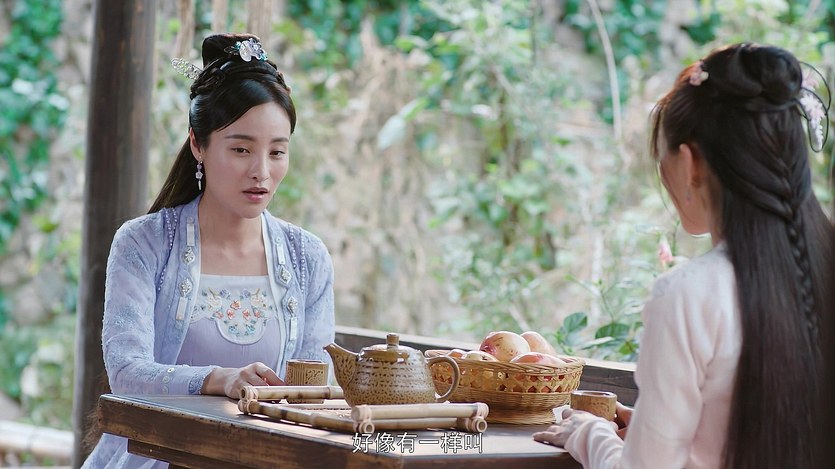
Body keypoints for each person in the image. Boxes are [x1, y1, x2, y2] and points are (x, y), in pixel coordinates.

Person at [533, 43, 833, 468]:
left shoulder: (689, 295)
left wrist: (587, 433)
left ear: (691, 163)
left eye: (663, 158)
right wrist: (650, 429)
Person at [83, 33, 335, 467]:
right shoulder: (144, 243)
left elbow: (314, 388)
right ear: (198, 145)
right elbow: (126, 373)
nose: (261, 171)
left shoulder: (306, 258)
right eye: (241, 149)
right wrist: (219, 379)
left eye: (277, 152)